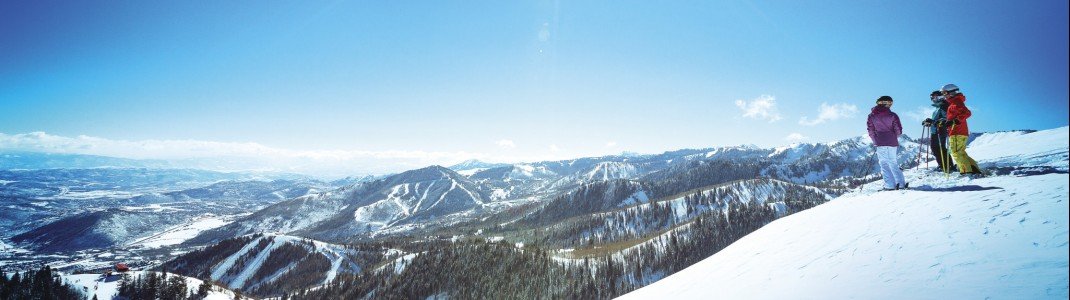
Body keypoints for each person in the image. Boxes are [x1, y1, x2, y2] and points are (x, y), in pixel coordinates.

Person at [939, 84, 983, 175]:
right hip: (960, 131)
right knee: (961, 152)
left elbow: (967, 113)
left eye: (945, 93)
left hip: (957, 132)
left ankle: (967, 172)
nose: (944, 95)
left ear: (951, 92)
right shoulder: (954, 103)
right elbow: (954, 117)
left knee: (956, 153)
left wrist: (955, 121)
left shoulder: (956, 102)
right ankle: (974, 170)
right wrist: (947, 122)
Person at [867, 95, 907, 190]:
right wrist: (892, 136)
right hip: (892, 141)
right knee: (893, 162)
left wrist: (875, 140)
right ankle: (901, 184)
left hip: (880, 142)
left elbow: (871, 130)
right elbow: (899, 131)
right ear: (885, 103)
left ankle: (889, 185)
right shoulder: (893, 115)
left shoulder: (872, 116)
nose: (890, 105)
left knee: (884, 163)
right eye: (889, 103)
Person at [922, 90, 956, 172]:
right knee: (937, 148)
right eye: (932, 98)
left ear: (940, 97)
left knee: (939, 148)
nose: (933, 99)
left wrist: (933, 122)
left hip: (941, 130)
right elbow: (937, 120)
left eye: (934, 97)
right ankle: (945, 165)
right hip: (935, 130)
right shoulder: (938, 108)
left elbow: (946, 118)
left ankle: (946, 166)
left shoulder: (944, 106)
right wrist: (929, 122)